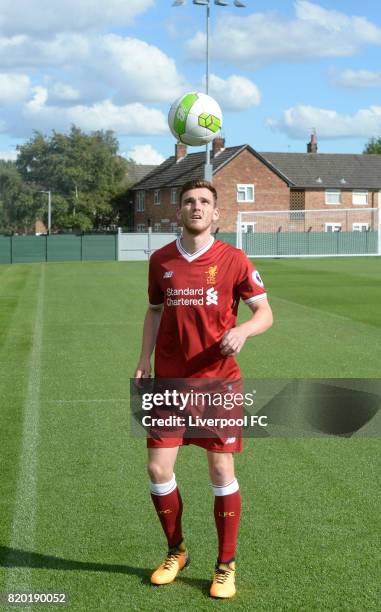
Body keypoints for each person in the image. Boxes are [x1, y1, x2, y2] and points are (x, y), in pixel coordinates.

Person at [134, 179, 273, 598]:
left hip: (218, 384)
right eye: (190, 202)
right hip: (170, 383)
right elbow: (154, 311)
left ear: (216, 214)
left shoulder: (233, 259)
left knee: (220, 470)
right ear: (180, 212)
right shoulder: (161, 260)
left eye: (205, 203)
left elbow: (265, 312)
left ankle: (225, 565)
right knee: (158, 470)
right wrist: (143, 360)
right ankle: (176, 551)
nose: (196, 207)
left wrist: (245, 330)